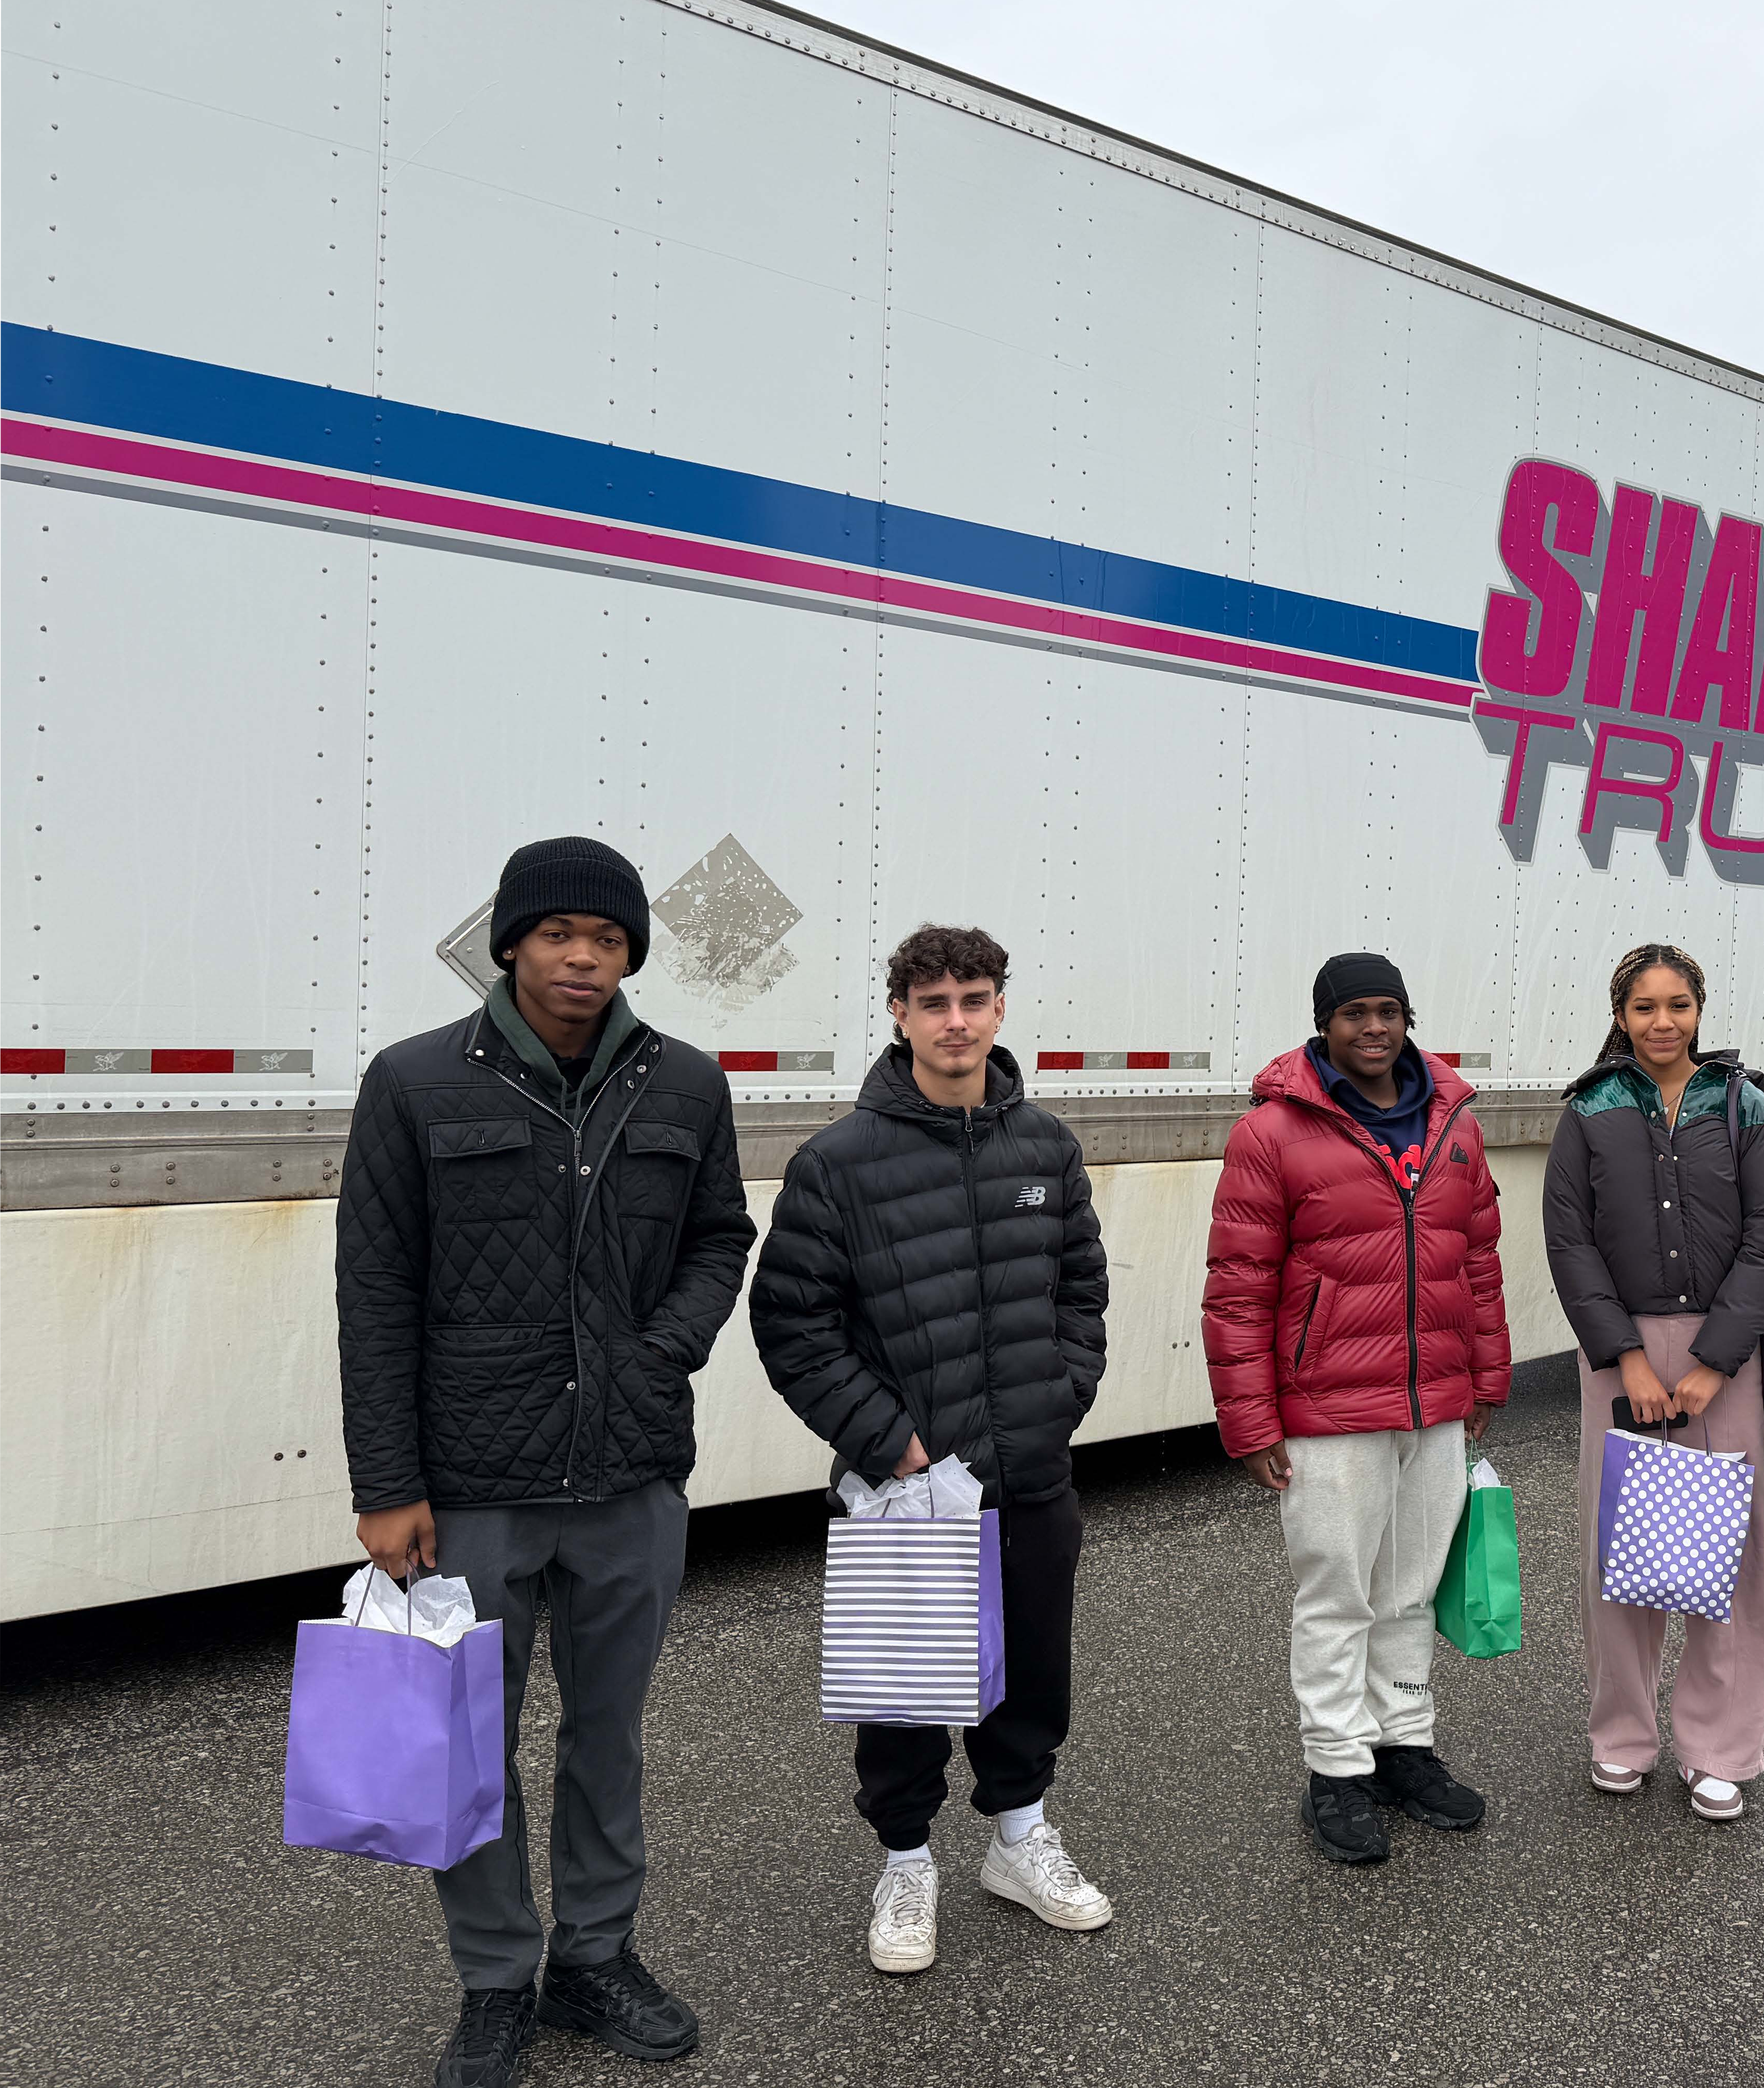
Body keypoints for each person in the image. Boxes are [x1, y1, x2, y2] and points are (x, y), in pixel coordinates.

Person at [337, 835, 754, 2088]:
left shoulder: (685, 1083)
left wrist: (660, 1349)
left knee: (606, 1736)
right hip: (472, 1485)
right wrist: (386, 1484)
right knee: (469, 1742)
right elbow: (376, 1289)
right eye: (562, 933)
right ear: (511, 941)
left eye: (612, 939)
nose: (586, 958)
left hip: (630, 1477)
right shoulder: (414, 1084)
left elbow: (720, 1236)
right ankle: (492, 1977)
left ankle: (595, 1956)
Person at [750, 924, 1113, 1975]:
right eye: (935, 1000)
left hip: (1029, 1475)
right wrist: (886, 1440)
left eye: (975, 997)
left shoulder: (1045, 1147)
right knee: (903, 1693)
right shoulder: (838, 1164)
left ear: (1001, 1009)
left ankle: (1017, 1838)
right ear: (901, 1014)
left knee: (1031, 1671)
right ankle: (906, 1861)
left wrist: (1057, 1402)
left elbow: (1079, 1294)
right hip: (902, 1489)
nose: (957, 1019)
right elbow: (793, 1325)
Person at [1201, 952, 1512, 1865]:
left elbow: (1477, 1260)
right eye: (1353, 1015)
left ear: (1409, 1017)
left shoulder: (1456, 1123)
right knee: (1339, 1594)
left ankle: (1402, 1745)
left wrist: (1486, 1376)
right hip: (1328, 1408)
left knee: (1410, 1587)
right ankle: (1336, 1768)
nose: (1373, 1029)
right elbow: (1238, 1288)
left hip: (1435, 1402)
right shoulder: (1272, 1132)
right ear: (1324, 1025)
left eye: (1389, 1012)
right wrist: (1252, 1420)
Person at [1542, 942, 1764, 1824]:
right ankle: (1622, 1734)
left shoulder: (1749, 1106)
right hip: (1619, 1350)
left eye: (1679, 1004)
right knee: (1623, 1552)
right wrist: (1627, 1356)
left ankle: (1720, 1747)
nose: (1663, 1022)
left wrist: (1714, 1362)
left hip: (1726, 1349)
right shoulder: (1586, 1111)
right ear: (1620, 1014)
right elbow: (1570, 1244)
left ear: (1700, 1009)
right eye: (1645, 1006)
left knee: (1727, 1554)